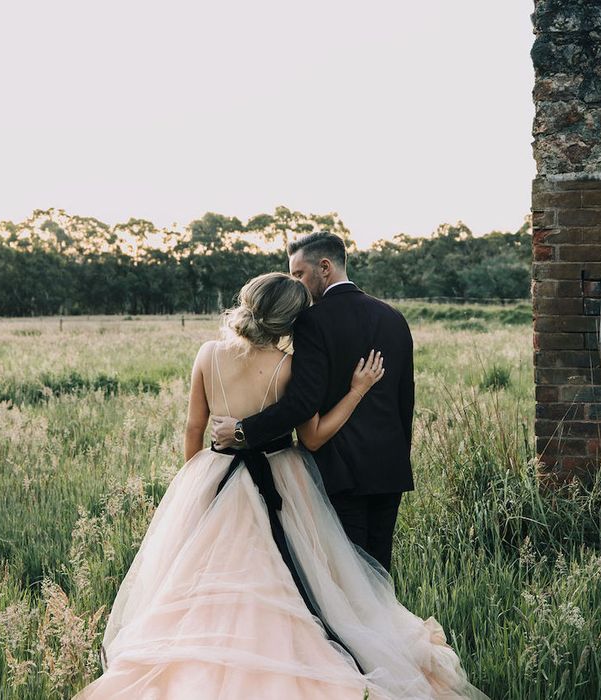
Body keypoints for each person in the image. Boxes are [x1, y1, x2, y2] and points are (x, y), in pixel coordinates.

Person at [73, 272, 485, 700]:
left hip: (214, 474)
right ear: (291, 323)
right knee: (295, 579)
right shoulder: (288, 368)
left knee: (204, 582)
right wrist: (358, 390)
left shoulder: (208, 354)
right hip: (280, 477)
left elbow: (194, 428)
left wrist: (197, 488)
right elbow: (314, 437)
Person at [213, 231, 414, 573]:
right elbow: (404, 402)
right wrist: (396, 457)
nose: (296, 284)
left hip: (338, 472)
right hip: (388, 469)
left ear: (324, 267)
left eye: (298, 274)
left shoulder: (312, 322)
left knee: (344, 577)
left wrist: (243, 431)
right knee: (379, 574)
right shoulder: (393, 318)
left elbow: (302, 404)